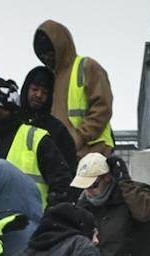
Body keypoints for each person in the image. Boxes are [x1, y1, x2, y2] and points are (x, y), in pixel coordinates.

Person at [0, 77, 75, 206]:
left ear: (5, 109)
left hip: (34, 222)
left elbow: (62, 181)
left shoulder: (35, 137)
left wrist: (52, 217)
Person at [32, 20, 117, 156]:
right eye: (43, 56)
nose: (47, 58)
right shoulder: (51, 78)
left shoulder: (87, 67)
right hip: (66, 155)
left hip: (93, 150)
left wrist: (80, 136)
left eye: (50, 53)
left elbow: (102, 107)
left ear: (60, 46)